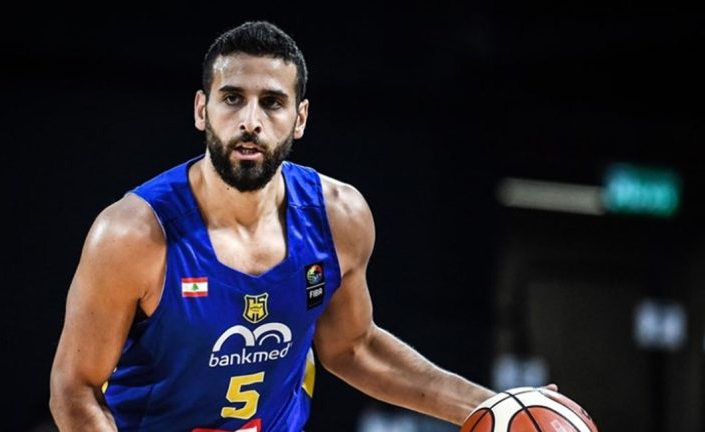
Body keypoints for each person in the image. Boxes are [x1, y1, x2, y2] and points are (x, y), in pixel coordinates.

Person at [49, 20, 500, 432]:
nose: (250, 121)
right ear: (202, 110)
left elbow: (353, 348)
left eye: (272, 102)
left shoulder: (339, 217)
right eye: (232, 99)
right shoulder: (132, 235)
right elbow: (74, 390)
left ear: (299, 119)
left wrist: (493, 407)